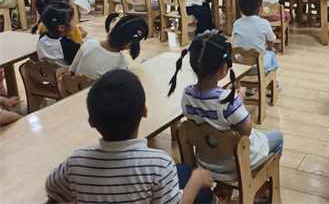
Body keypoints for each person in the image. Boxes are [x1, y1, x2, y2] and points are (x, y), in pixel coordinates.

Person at [45, 69, 215, 203]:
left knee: (182, 171)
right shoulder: (160, 164)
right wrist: (196, 182)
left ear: (91, 122)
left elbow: (51, 188)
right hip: (165, 182)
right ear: (145, 112)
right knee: (192, 179)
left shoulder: (76, 161)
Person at [168, 31, 284, 186]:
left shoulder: (187, 95)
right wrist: (239, 102)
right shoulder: (230, 102)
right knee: (278, 137)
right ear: (224, 68)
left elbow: (206, 111)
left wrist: (227, 96)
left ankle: (225, 189)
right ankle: (258, 186)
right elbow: (246, 131)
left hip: (205, 161)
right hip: (235, 164)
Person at [70, 14, 149, 79]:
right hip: (97, 94)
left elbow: (72, 71)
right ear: (129, 44)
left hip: (72, 90)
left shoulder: (89, 42)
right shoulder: (121, 61)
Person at [233, 0, 280, 94]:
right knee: (271, 54)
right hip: (259, 66)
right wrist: (270, 48)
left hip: (241, 66)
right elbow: (270, 40)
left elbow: (235, 42)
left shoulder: (236, 23)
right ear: (259, 9)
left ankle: (249, 88)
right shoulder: (264, 23)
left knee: (252, 53)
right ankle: (271, 86)